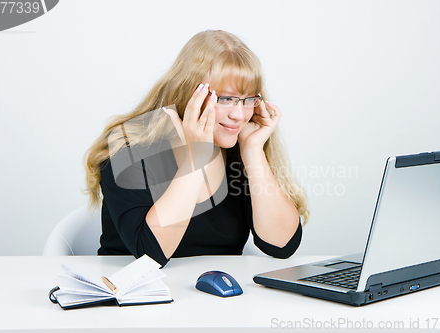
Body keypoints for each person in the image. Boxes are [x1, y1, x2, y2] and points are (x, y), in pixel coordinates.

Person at [83, 30, 309, 267]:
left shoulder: (236, 148)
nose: (239, 115)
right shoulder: (128, 146)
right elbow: (150, 257)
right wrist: (195, 158)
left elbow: (282, 245)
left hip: (213, 300)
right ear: (189, 93)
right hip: (135, 296)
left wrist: (253, 151)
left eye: (248, 99)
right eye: (224, 99)